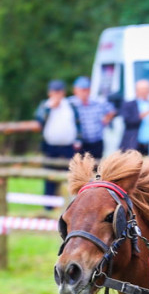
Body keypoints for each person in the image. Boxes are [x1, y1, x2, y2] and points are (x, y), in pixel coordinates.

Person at [34, 79, 79, 207]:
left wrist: (78, 140)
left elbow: (77, 123)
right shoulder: (45, 106)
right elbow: (39, 120)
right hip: (50, 147)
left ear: (63, 93)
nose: (57, 95)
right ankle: (48, 206)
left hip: (68, 146)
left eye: (59, 92)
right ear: (50, 93)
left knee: (71, 177)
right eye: (55, 92)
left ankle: (73, 204)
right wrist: (49, 109)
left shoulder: (70, 105)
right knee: (49, 177)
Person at [68, 76, 116, 159]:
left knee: (97, 167)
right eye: (81, 90)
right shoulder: (70, 103)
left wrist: (106, 120)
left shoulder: (97, 101)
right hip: (79, 142)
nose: (84, 93)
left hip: (96, 142)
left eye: (86, 90)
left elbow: (112, 110)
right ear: (75, 90)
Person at [119, 79, 149, 155]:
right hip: (134, 143)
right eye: (142, 90)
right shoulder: (129, 104)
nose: (144, 92)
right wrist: (144, 114)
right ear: (136, 91)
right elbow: (127, 121)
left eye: (146, 90)